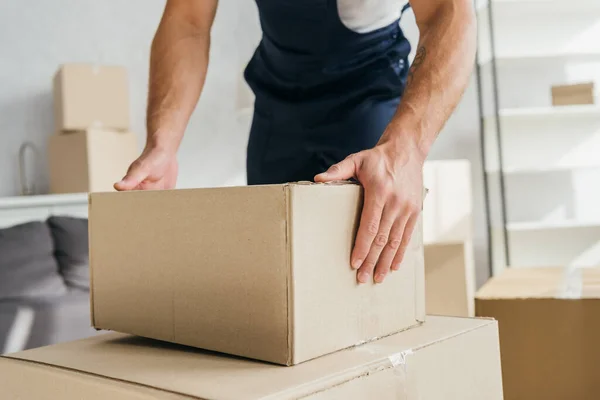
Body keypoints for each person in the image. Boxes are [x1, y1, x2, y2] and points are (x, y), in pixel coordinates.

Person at [114, 0, 477, 285]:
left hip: (366, 108)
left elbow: (448, 11)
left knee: (359, 284)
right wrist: (163, 143)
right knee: (270, 280)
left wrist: (406, 151)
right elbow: (188, 20)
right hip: (278, 109)